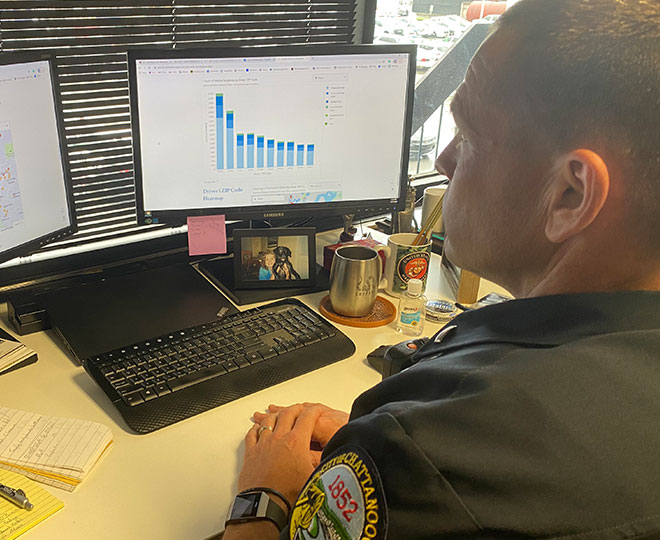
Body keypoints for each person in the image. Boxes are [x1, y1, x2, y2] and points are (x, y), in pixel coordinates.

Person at [223, 0, 660, 538]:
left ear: (570, 194)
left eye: (470, 136)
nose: (443, 160)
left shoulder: (435, 458)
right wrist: (381, 436)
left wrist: (267, 492)